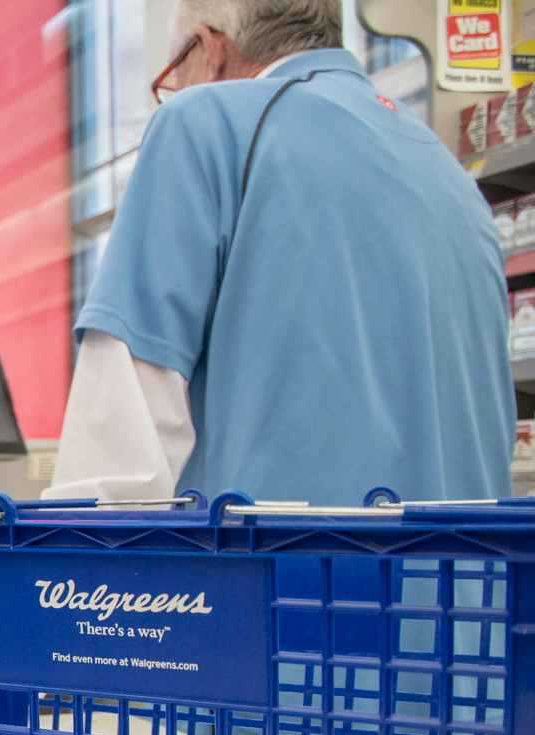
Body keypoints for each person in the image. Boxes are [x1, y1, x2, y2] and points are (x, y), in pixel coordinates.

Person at [46, 0, 513, 505]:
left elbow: (119, 446)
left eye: (172, 76)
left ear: (209, 49)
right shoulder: (447, 172)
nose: (173, 92)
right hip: (461, 577)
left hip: (290, 577)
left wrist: (54, 574)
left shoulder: (205, 121)